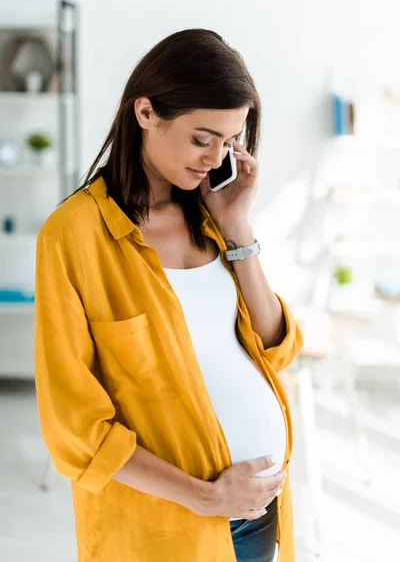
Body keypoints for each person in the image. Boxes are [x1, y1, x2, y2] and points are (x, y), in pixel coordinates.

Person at [34, 28, 304, 562]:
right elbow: (75, 429)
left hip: (260, 513)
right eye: (202, 138)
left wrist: (238, 230)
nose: (214, 158)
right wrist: (208, 497)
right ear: (145, 113)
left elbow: (276, 347)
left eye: (228, 142)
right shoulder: (74, 235)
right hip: (162, 530)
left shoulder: (210, 214)